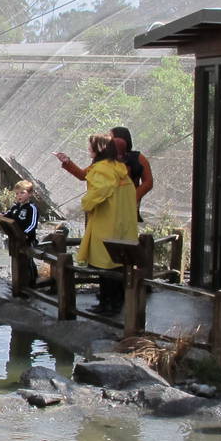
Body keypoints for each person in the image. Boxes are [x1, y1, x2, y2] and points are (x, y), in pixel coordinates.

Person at [73, 133, 137, 314]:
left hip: (107, 223)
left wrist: (87, 203)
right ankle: (115, 302)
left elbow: (101, 189)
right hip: (121, 223)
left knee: (105, 265)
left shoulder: (102, 170)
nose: (88, 149)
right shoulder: (119, 168)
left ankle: (107, 304)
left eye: (90, 146)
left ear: (98, 149)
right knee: (117, 265)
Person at [57, 125, 154, 212]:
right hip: (102, 205)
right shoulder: (103, 158)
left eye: (110, 137)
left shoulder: (138, 158)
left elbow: (148, 182)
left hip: (126, 206)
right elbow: (84, 175)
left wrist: (133, 197)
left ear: (120, 140)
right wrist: (67, 162)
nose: (107, 141)